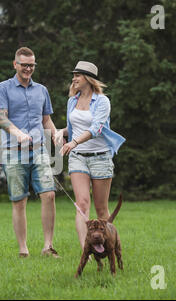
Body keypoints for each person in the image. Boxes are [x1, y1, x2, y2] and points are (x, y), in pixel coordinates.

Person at [0, 47, 60, 258]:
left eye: (31, 65)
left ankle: (48, 247)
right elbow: (1, 118)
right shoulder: (3, 88)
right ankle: (23, 250)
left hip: (39, 151)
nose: (28, 69)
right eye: (24, 65)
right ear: (15, 65)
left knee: (49, 195)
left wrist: (56, 135)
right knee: (19, 201)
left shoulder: (42, 90)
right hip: (13, 152)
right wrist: (17, 132)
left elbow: (46, 119)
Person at [54, 61, 125, 251]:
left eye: (78, 75)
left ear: (88, 78)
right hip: (78, 157)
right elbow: (73, 129)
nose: (74, 78)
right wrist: (62, 132)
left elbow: (96, 129)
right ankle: (86, 248)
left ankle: (108, 246)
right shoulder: (72, 101)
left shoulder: (102, 101)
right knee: (82, 204)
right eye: (74, 75)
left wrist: (74, 141)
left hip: (100, 156)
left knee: (101, 209)